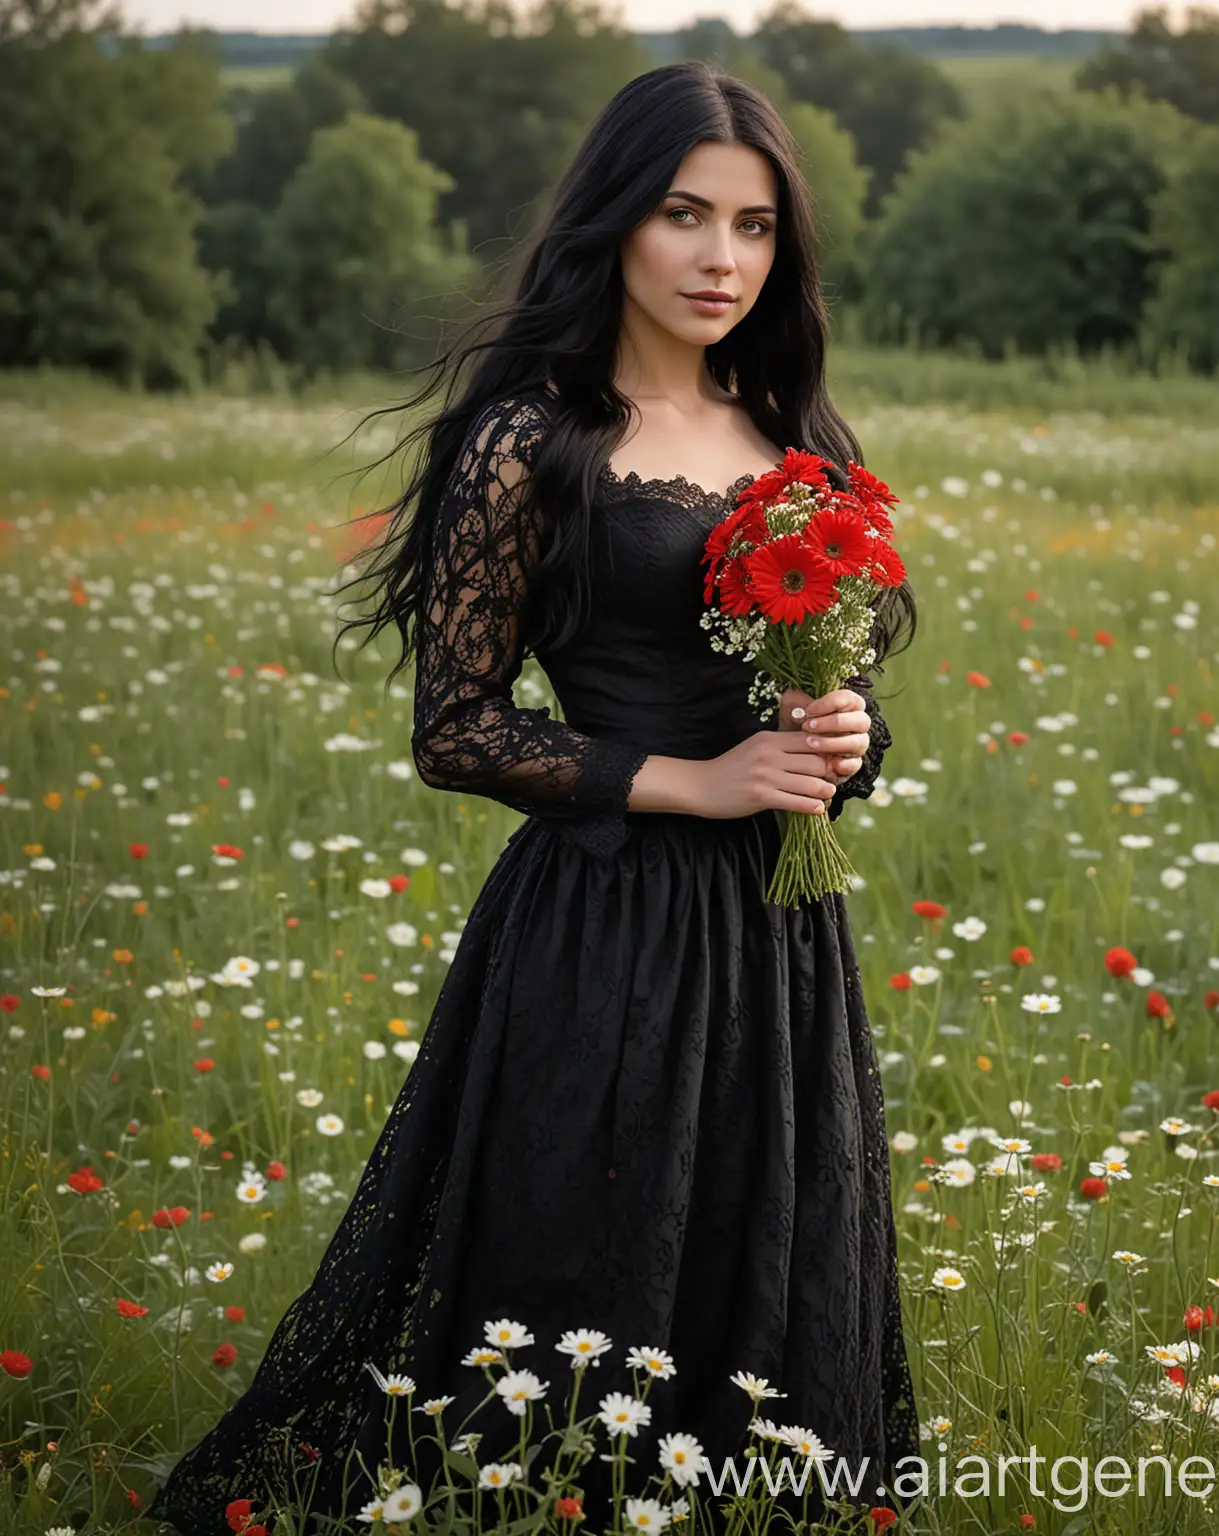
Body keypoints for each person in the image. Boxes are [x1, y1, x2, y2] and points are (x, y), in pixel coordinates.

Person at [145, 59, 920, 1534]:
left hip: (773, 935)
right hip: (604, 922)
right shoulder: (533, 439)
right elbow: (456, 728)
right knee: (583, 1256)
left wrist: (839, 735)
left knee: (759, 1252)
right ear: (617, 219)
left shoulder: (802, 440)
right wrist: (696, 780)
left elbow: (845, 723)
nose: (719, 259)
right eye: (685, 215)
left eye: (754, 227)